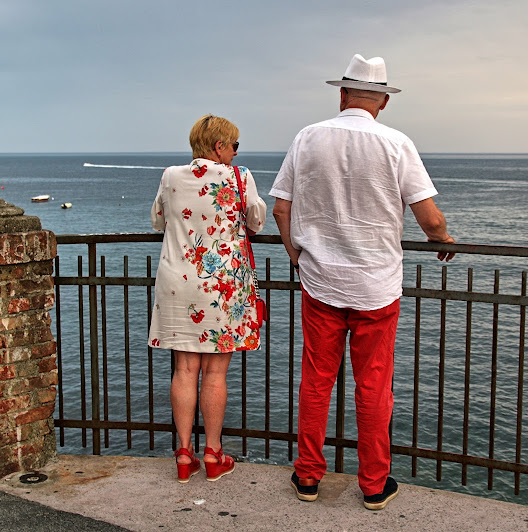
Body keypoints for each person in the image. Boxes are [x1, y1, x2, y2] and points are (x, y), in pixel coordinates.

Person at [270, 54, 455, 510]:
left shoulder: (308, 137)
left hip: (321, 283)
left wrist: (298, 257)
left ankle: (308, 477)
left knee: (316, 381)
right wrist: (442, 238)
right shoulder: (397, 144)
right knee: (373, 387)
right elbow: (428, 216)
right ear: (384, 102)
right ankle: (374, 485)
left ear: (342, 95)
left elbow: (280, 207)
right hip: (376, 287)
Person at [148, 114, 267, 483]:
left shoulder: (170, 176)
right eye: (234, 145)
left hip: (178, 284)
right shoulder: (239, 177)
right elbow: (257, 222)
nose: (235, 152)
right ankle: (213, 453)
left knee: (184, 371)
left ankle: (184, 454)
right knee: (215, 373)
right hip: (222, 287)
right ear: (219, 147)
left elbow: (157, 221)